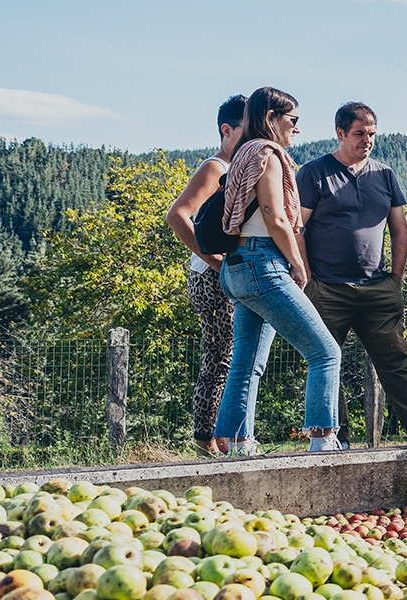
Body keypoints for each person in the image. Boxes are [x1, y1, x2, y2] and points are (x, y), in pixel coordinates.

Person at [297, 102, 407, 446]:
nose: (367, 140)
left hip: (378, 288)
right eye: (360, 133)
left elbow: (400, 230)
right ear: (340, 133)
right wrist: (307, 278)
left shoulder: (384, 174)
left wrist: (396, 277)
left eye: (372, 134)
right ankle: (337, 438)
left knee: (396, 361)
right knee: (325, 361)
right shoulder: (314, 173)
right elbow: (296, 228)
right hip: (327, 288)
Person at [214, 86, 345, 454]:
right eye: (293, 120)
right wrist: (298, 265)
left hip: (236, 266)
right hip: (263, 263)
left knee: (247, 361)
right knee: (325, 353)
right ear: (271, 119)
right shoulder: (268, 155)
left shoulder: (241, 154)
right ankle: (323, 440)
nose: (297, 129)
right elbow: (274, 215)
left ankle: (239, 442)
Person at [164, 94, 247, 457]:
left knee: (234, 356)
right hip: (210, 279)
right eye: (247, 129)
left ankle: (224, 435)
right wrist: (215, 261)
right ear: (226, 130)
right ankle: (205, 439)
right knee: (221, 356)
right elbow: (178, 215)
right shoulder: (216, 167)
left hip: (228, 273)